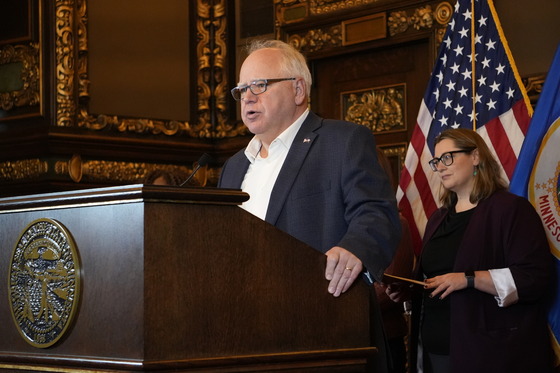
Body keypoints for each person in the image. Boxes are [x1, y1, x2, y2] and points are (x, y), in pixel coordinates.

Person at [218, 39, 401, 370]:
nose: (247, 96)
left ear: (298, 90)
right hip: (246, 333)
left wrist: (355, 249)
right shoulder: (233, 167)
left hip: (324, 327)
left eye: (259, 85)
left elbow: (377, 214)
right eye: (242, 89)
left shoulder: (342, 141)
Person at [387, 128, 555, 373]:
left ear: (475, 156)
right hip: (434, 350)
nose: (440, 167)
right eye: (436, 161)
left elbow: (535, 278)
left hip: (490, 354)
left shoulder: (510, 210)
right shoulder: (438, 218)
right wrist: (407, 290)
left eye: (448, 157)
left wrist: (469, 279)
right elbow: (435, 278)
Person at [375, 148, 415, 373]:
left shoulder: (396, 224)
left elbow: (389, 289)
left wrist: (335, 307)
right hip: (347, 338)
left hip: (385, 339)